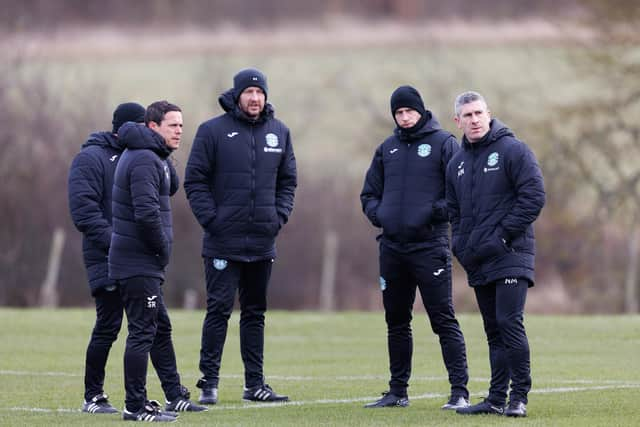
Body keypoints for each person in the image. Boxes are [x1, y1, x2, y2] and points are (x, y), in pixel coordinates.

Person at [184, 68, 296, 404]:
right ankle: (209, 383)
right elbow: (195, 181)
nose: (255, 98)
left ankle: (255, 384)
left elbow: (288, 181)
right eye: (248, 92)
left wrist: (278, 217)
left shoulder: (279, 132)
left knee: (255, 313)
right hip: (222, 241)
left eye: (260, 93)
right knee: (218, 310)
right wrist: (212, 219)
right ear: (237, 95)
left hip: (262, 240)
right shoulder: (212, 132)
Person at [360, 86, 470, 409]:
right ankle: (397, 392)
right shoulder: (387, 149)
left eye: (409, 111)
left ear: (420, 110)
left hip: (429, 246)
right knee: (396, 320)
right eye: (399, 113)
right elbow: (368, 194)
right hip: (392, 248)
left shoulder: (444, 144)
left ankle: (459, 392)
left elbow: (460, 193)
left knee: (442, 319)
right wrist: (381, 215)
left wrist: (434, 214)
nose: (404, 117)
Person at [446, 91, 545, 418]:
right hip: (479, 258)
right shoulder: (456, 163)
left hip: (511, 252)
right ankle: (494, 398)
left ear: (488, 114)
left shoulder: (513, 151)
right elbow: (455, 212)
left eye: (478, 113)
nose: (474, 120)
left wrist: (503, 236)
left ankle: (519, 397)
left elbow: (533, 197)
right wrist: (460, 245)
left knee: (508, 322)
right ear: (457, 121)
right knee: (493, 329)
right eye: (467, 115)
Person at [109, 101, 207, 422]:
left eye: (181, 125)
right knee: (142, 332)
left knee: (159, 328)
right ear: (153, 127)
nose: (180, 130)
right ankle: (134, 407)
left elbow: (173, 187)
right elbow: (147, 214)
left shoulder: (153, 157)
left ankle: (174, 395)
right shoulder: (143, 160)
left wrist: (164, 153)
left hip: (142, 261)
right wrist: (162, 249)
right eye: (172, 125)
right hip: (138, 261)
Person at [68, 102, 146, 414]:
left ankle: (158, 394)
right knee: (109, 324)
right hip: (107, 257)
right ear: (125, 127)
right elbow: (84, 213)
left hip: (140, 259)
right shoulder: (90, 159)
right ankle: (93, 397)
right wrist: (118, 244)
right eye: (141, 126)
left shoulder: (140, 158)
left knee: (150, 326)